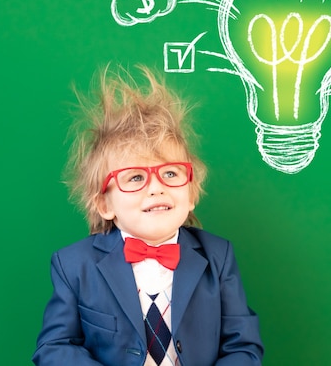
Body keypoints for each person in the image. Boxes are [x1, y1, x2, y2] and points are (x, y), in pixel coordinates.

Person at [32, 67, 264, 366]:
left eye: (170, 173)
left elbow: (243, 346)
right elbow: (54, 347)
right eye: (134, 178)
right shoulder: (74, 265)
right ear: (105, 205)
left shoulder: (218, 256)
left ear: (191, 194)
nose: (156, 188)